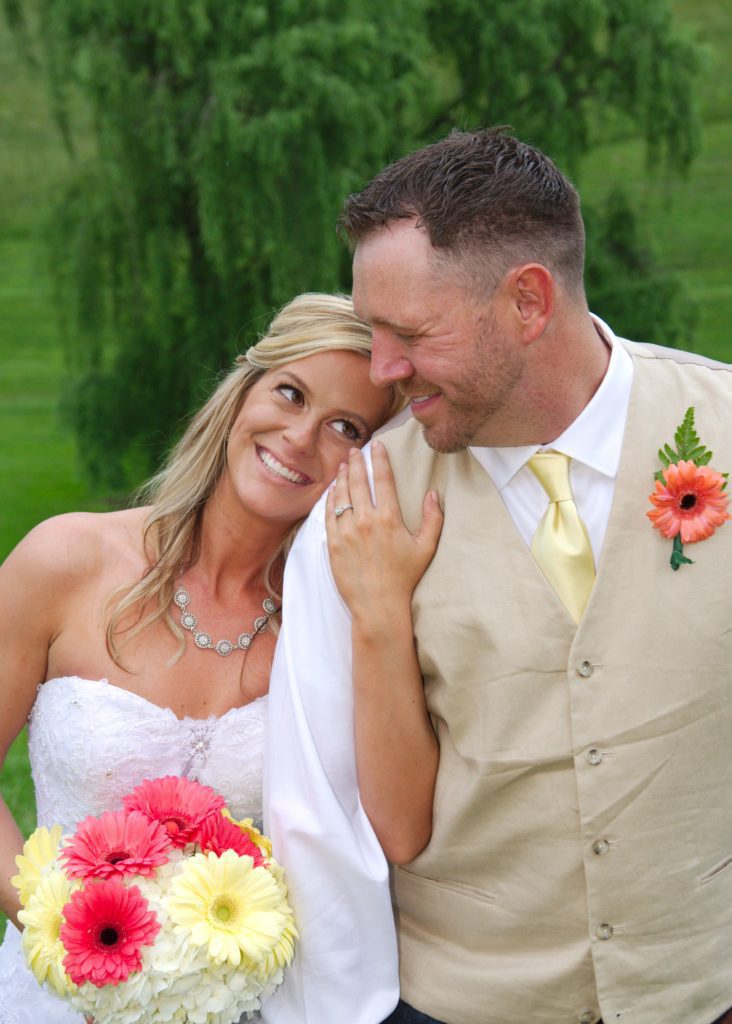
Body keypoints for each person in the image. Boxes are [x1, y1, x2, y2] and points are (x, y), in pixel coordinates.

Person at [263, 129, 732, 1024]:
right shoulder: (360, 511)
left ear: (527, 301)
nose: (382, 372)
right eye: (373, 333)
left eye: (409, 333)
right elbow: (323, 819)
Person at [0, 292, 433, 1022]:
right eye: (289, 393)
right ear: (243, 391)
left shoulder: (336, 627)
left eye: (344, 428)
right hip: (55, 993)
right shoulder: (65, 559)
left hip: (252, 1003)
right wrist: (63, 932)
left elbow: (404, 831)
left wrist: (384, 613)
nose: (298, 437)